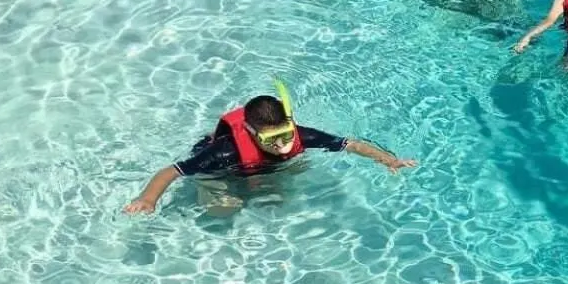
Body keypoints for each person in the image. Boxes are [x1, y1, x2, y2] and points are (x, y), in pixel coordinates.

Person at [123, 93, 414, 215]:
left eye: (285, 135)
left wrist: (388, 159)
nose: (282, 145)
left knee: (281, 196)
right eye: (270, 139)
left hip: (260, 168)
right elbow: (172, 171)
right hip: (222, 171)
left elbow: (350, 144)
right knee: (224, 211)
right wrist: (148, 199)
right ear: (250, 132)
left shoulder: (301, 135)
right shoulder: (224, 151)